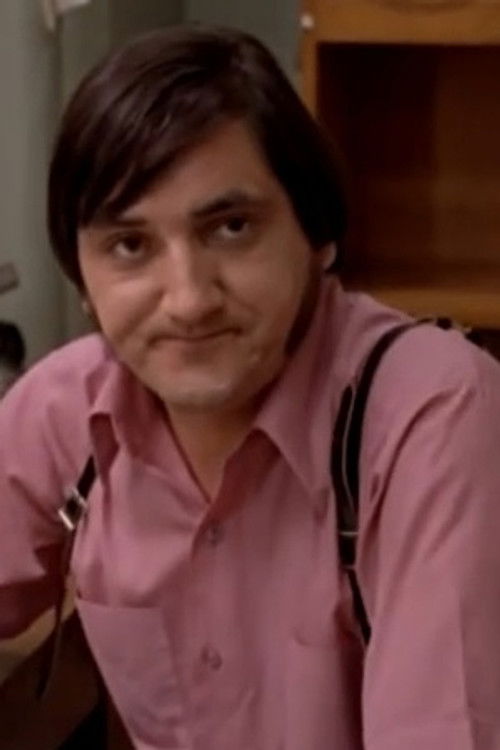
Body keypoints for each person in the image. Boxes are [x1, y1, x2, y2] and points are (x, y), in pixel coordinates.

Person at [1, 25, 500, 750]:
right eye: (130, 245)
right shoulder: (66, 408)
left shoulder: (432, 414)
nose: (188, 300)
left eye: (231, 228)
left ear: (317, 236)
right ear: (83, 280)